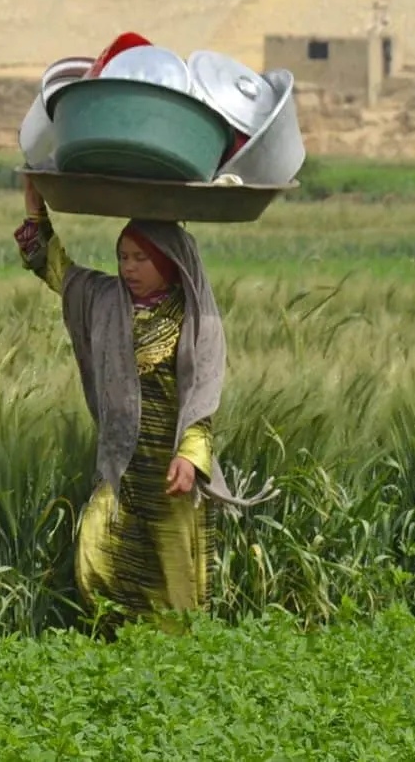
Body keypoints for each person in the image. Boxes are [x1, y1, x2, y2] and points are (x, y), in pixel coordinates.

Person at [15, 177, 269, 618]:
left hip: (170, 469)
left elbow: (202, 397)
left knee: (173, 582)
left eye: (140, 258)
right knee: (98, 558)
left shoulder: (192, 316)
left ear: (169, 262)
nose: (128, 268)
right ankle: (118, 646)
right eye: (123, 257)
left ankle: (177, 660)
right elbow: (53, 268)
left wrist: (190, 457)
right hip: (121, 464)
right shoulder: (104, 299)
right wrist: (36, 210)